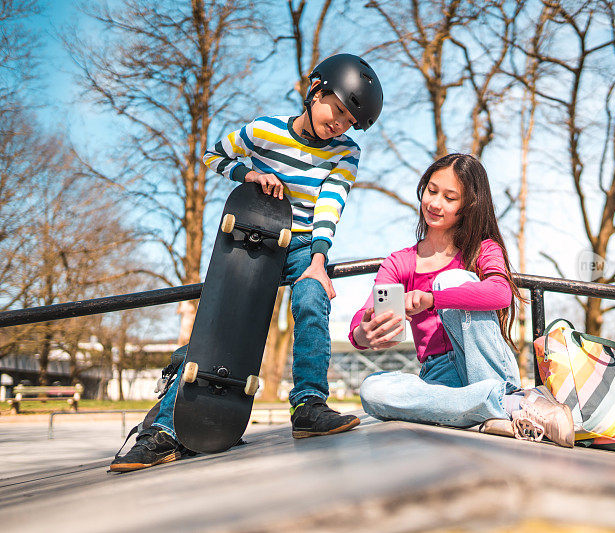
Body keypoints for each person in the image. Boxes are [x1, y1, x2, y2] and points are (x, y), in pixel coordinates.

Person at [110, 53, 383, 472]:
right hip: (251, 240)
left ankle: (309, 405)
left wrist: (318, 260)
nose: (341, 125)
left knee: (312, 297)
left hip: (303, 244)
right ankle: (163, 430)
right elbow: (212, 156)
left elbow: (332, 202)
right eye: (339, 111)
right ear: (315, 90)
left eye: (350, 121)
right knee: (219, 327)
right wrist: (248, 175)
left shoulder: (346, 152)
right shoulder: (263, 130)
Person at [349, 153, 574, 447]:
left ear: (467, 207)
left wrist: (433, 298)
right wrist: (364, 333)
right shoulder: (400, 262)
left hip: (485, 365)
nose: (434, 203)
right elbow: (364, 315)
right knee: (372, 390)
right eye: (431, 190)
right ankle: (509, 407)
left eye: (449, 197)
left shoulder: (483, 250)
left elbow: (500, 292)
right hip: (438, 376)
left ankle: (488, 408)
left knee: (453, 280)